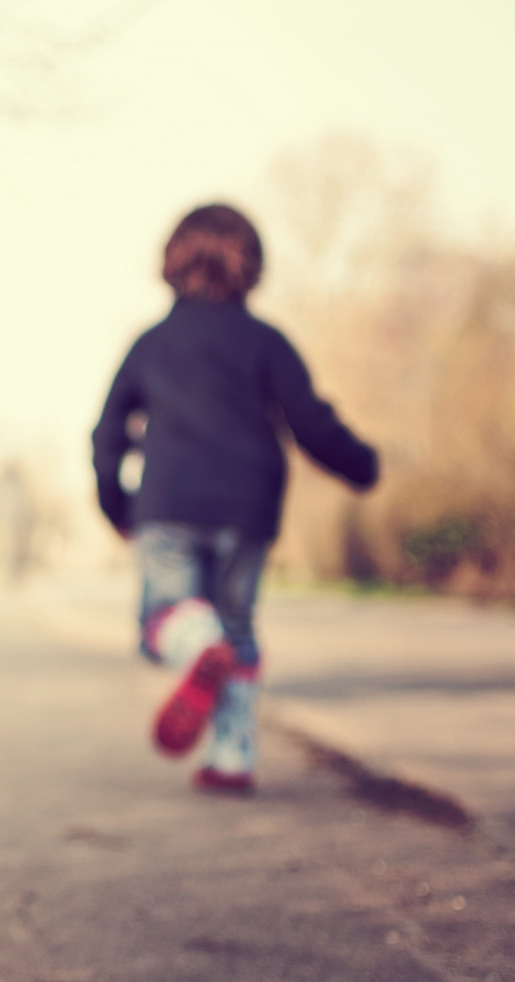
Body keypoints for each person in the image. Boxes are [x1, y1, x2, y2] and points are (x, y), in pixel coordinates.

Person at [91, 203, 378, 794]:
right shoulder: (266, 342)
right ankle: (231, 757)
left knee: (161, 618)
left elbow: (107, 433)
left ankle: (196, 645)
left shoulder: (150, 344)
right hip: (250, 506)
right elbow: (311, 422)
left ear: (171, 263)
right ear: (251, 269)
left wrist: (115, 506)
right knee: (239, 629)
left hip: (168, 502)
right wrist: (360, 465)